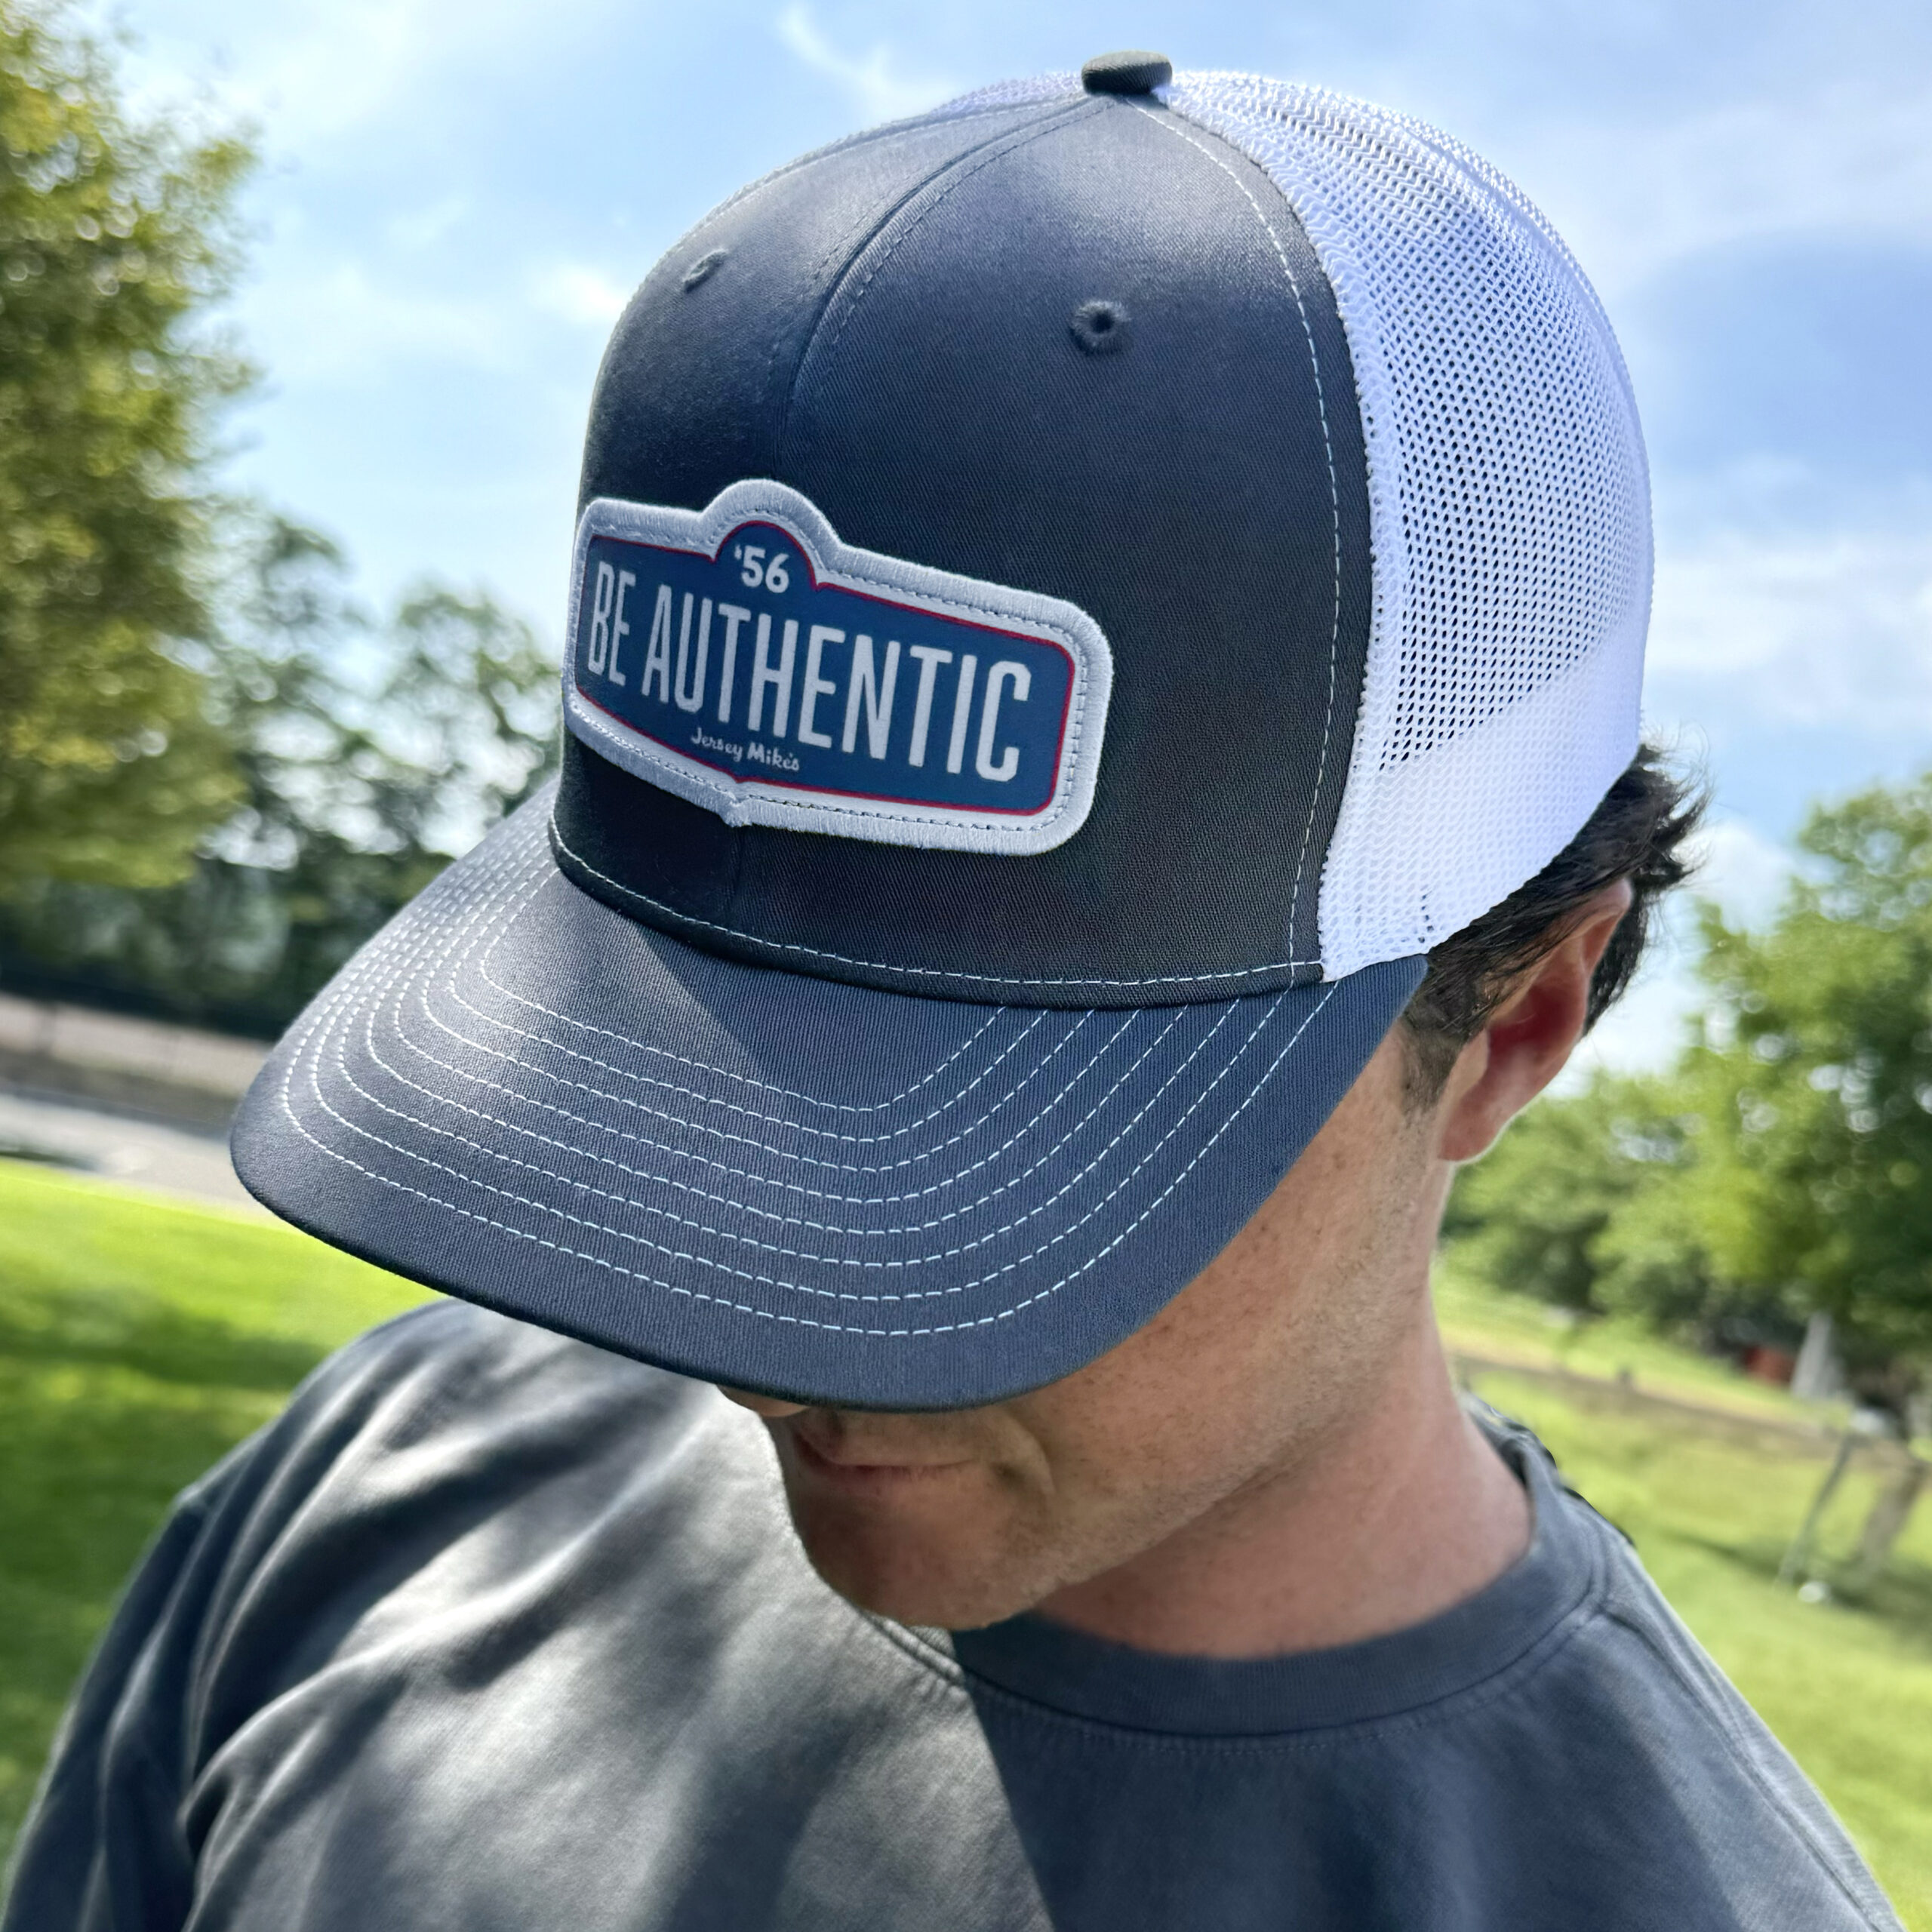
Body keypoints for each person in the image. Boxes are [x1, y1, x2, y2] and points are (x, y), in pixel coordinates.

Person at [3, 52, 1903, 1932]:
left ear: (1511, 1022)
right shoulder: (389, 1474)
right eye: (673, 1064)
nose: (759, 1350)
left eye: (998, 1158)